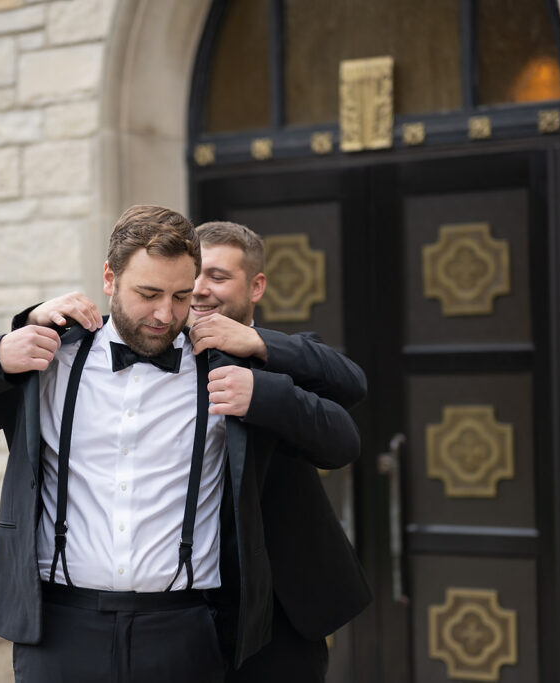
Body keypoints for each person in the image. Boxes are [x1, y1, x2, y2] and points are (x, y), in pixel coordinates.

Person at [0, 205, 361, 682]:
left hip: (183, 632)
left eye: (181, 296)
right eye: (148, 294)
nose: (165, 314)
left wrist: (263, 391)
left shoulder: (224, 365)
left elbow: (341, 434)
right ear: (109, 278)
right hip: (60, 631)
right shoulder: (51, 361)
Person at [190, 221, 372, 683]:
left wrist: (256, 344)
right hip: (180, 606)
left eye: (216, 275)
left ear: (257, 286)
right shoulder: (158, 354)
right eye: (192, 273)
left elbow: (350, 387)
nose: (199, 289)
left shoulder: (283, 355)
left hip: (280, 608)